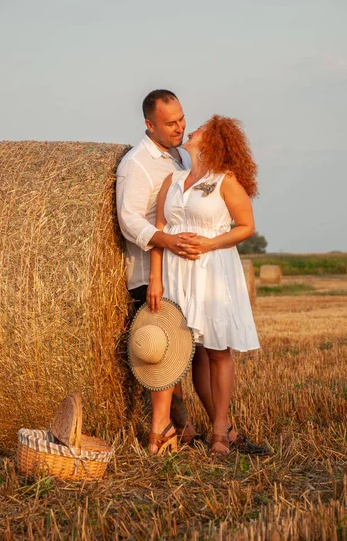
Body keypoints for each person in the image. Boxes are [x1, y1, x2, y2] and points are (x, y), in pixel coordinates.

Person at [147, 115, 267, 456]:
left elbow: (246, 226)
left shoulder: (223, 181)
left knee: (216, 349)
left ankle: (219, 432)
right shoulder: (173, 178)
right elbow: (158, 229)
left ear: (211, 141)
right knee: (178, 349)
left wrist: (209, 244)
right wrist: (155, 276)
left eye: (198, 128)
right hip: (174, 273)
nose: (190, 130)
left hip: (212, 270)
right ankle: (171, 428)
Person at [116, 89, 202, 444]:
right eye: (170, 123)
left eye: (181, 118)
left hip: (174, 271)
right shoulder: (136, 165)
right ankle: (162, 429)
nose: (180, 127)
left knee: (177, 352)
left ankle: (180, 428)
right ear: (149, 125)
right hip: (148, 276)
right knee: (160, 351)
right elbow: (129, 221)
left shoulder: (178, 157)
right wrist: (166, 241)